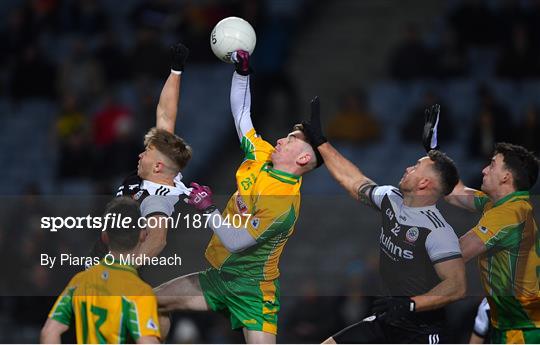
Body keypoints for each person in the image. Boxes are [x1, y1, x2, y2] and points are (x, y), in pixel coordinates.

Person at [154, 50, 322, 344]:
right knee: (150, 302)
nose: (281, 139)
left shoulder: (282, 201)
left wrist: (207, 208)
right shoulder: (262, 154)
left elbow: (236, 241)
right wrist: (242, 73)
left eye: (291, 139)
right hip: (220, 277)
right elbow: (241, 114)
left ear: (304, 158)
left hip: (253, 290)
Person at [301, 104, 466, 343]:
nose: (408, 167)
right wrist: (321, 143)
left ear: (424, 184)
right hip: (387, 319)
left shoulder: (437, 231)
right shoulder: (392, 197)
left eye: (416, 166)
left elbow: (457, 286)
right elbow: (354, 181)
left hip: (422, 331)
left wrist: (411, 304)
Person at [89, 43, 192, 260]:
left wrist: (123, 269)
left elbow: (158, 239)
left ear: (157, 166)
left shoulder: (157, 197)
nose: (140, 155)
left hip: (111, 268)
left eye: (146, 153)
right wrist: (175, 71)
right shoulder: (158, 172)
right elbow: (165, 115)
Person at [445, 142, 540, 344]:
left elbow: (457, 253)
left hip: (523, 331)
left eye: (492, 164)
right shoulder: (501, 204)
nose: (484, 170)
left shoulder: (509, 214)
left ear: (506, 177)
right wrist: (434, 156)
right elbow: (455, 193)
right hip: (509, 324)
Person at [40, 198, 161, 344]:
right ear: (143, 234)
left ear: (105, 236)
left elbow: (49, 332)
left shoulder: (80, 281)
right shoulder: (139, 292)